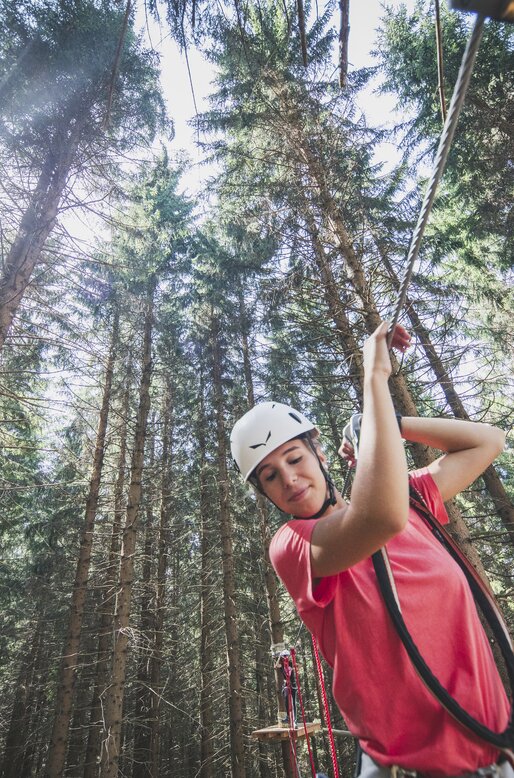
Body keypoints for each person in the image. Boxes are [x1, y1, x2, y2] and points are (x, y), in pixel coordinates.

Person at [230, 321, 511, 778]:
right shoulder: (293, 548)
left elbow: (487, 440)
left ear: (321, 455)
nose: (289, 479)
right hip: (410, 766)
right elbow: (378, 520)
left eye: (295, 458)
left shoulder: (410, 498)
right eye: (270, 476)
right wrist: (373, 381)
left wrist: (387, 424)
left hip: (491, 753)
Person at [274, 649, 298, 726]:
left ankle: (295, 720)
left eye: (286, 656)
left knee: (293, 702)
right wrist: (279, 657)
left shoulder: (291, 664)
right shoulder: (282, 665)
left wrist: (292, 657)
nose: (285, 658)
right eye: (284, 656)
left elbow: (298, 666)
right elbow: (276, 666)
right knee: (286, 701)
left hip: (293, 684)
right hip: (286, 685)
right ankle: (288, 716)